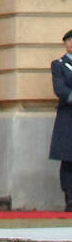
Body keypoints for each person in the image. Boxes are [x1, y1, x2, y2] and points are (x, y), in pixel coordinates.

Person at [49, 29, 72, 211]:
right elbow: (60, 89)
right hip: (67, 117)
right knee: (68, 159)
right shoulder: (59, 64)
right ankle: (69, 198)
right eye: (69, 41)